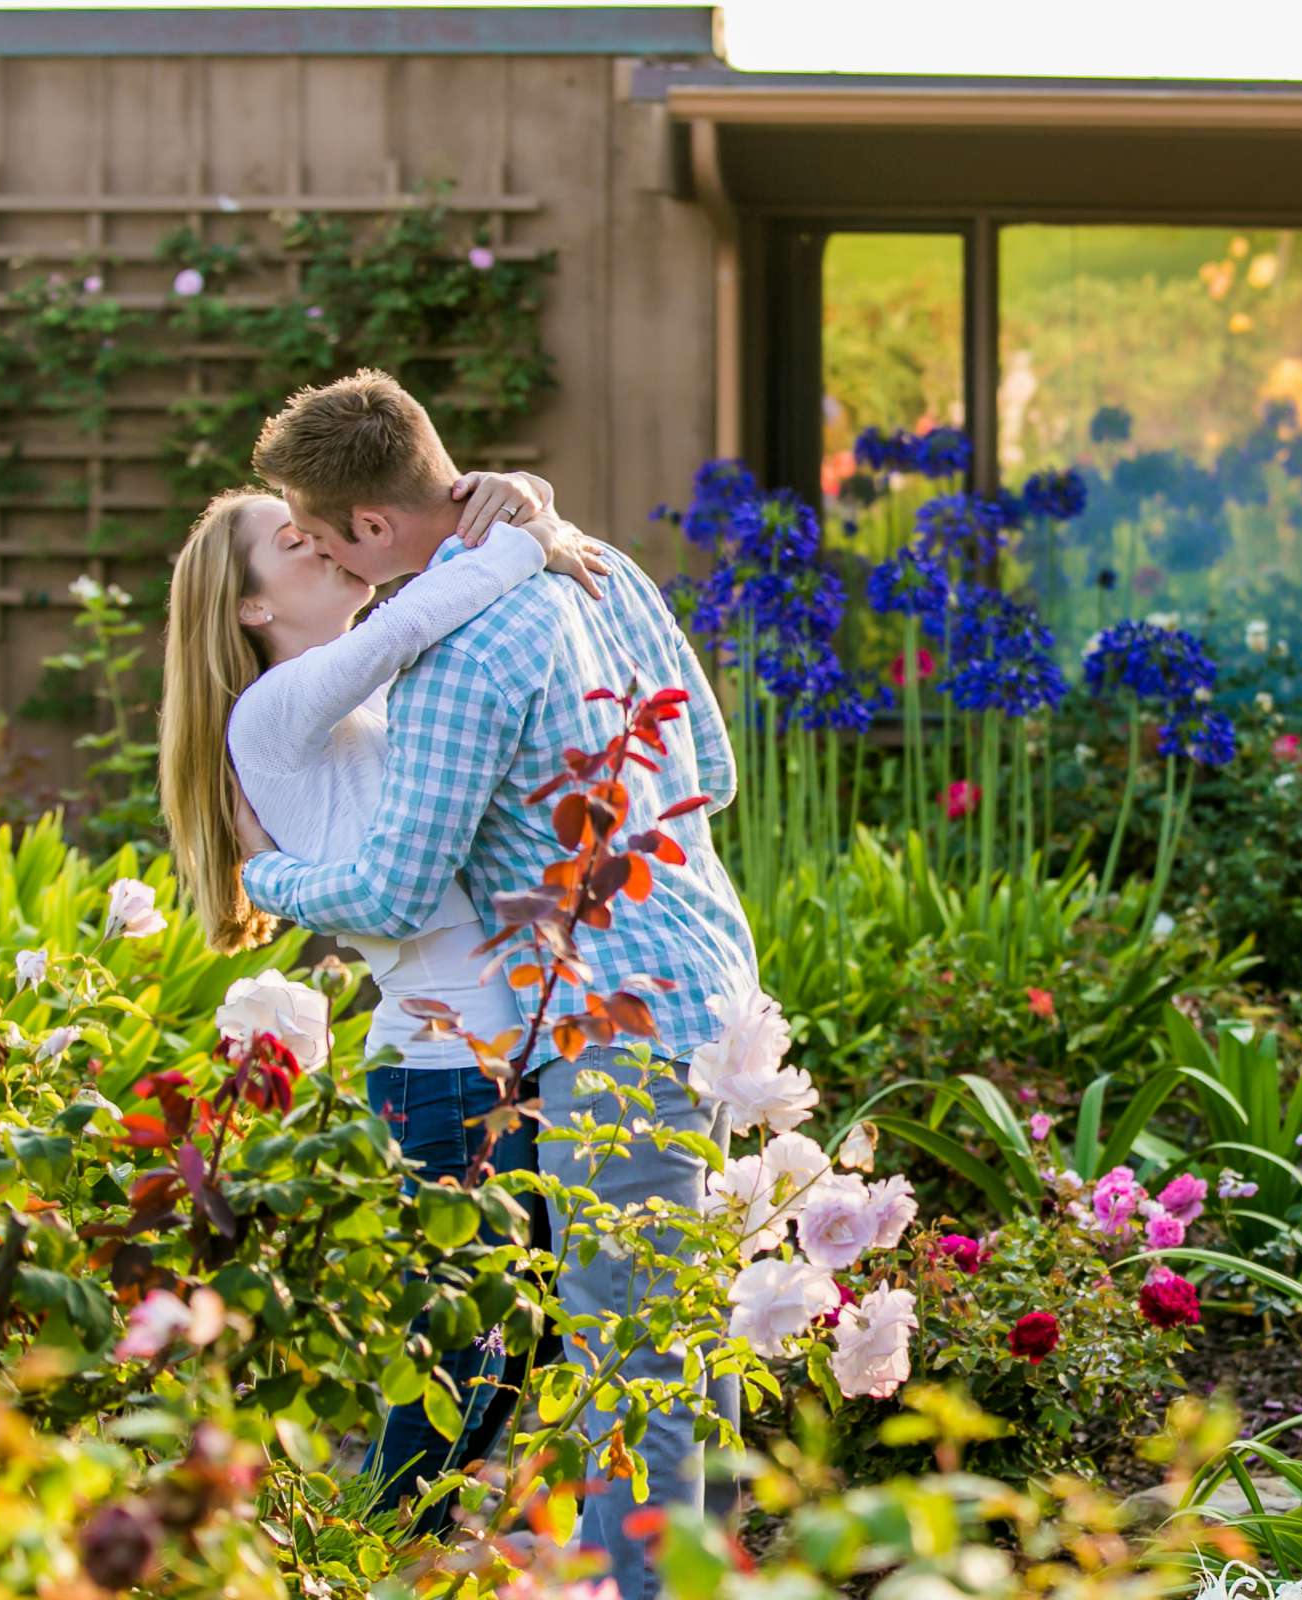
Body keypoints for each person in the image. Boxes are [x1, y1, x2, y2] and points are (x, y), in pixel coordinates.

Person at [232, 369, 755, 1600]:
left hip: (605, 1024)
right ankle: (713, 1575)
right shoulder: (597, 564)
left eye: (314, 526)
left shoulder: (457, 657)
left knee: (628, 1360)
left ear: (370, 526)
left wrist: (279, 876)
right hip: (715, 985)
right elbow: (715, 772)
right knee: (687, 1333)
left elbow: (401, 891)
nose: (311, 546)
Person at [156, 467, 611, 1533]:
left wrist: (513, 493)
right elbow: (424, 610)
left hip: (490, 1052)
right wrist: (526, 526)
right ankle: (352, 1550)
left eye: (314, 529)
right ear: (252, 608)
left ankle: (364, 1545)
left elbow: (432, 614)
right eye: (290, 541)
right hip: (447, 1069)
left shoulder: (352, 702)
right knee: (474, 1343)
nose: (318, 542)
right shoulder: (272, 709)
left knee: (513, 1334)